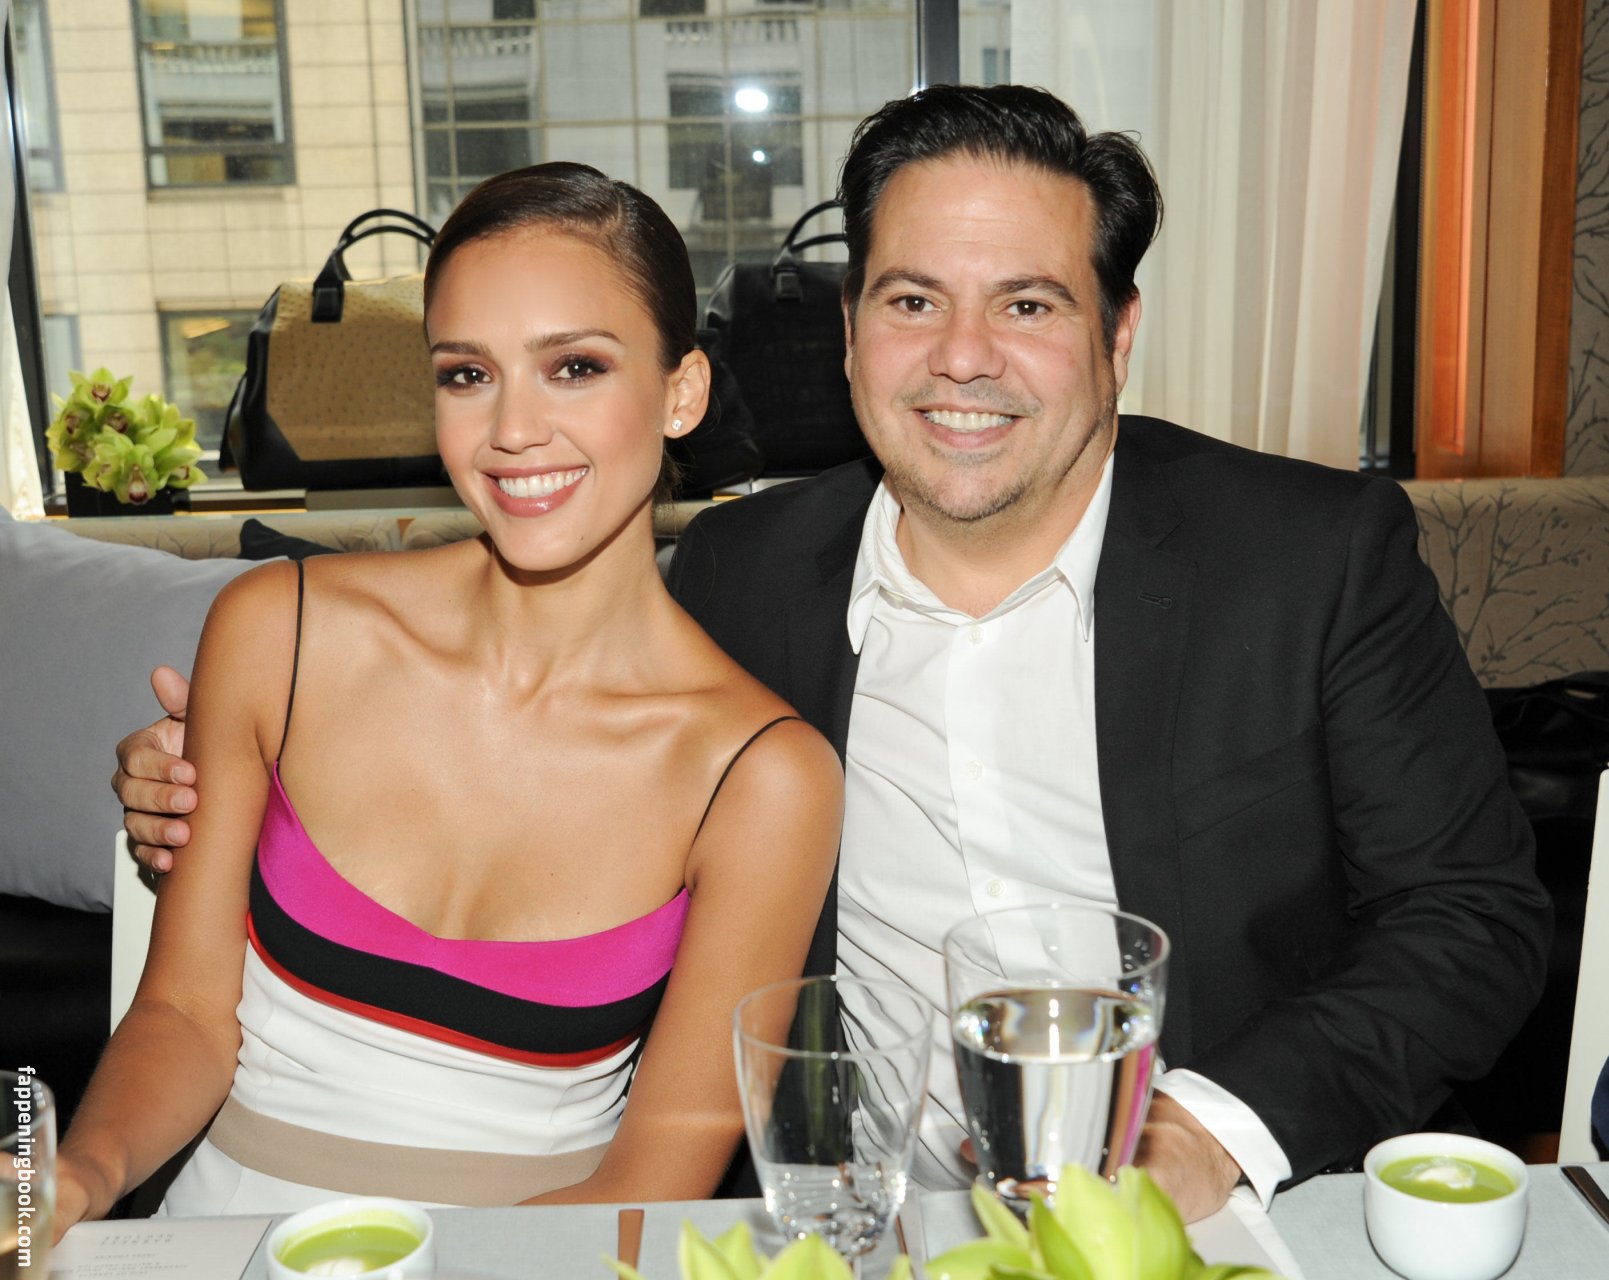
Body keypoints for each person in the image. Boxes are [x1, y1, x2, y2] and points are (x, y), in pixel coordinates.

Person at [112, 86, 1550, 1223]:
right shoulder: (739, 580)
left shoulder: (1302, 558)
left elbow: (1475, 917)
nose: (962, 357)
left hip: (1223, 1208)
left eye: (1028, 304)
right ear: (852, 328)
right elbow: (529, 729)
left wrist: (1205, 1135)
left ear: (1118, 334)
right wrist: (203, 774)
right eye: (913, 299)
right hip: (862, 1226)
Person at [60, 162, 842, 1229]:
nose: (513, 429)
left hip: (539, 1255)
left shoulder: (761, 778)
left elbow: (656, 1171)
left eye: (573, 366)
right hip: (224, 1239)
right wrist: (74, 1177)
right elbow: (186, 1015)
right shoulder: (278, 631)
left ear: (681, 392)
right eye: (468, 374)